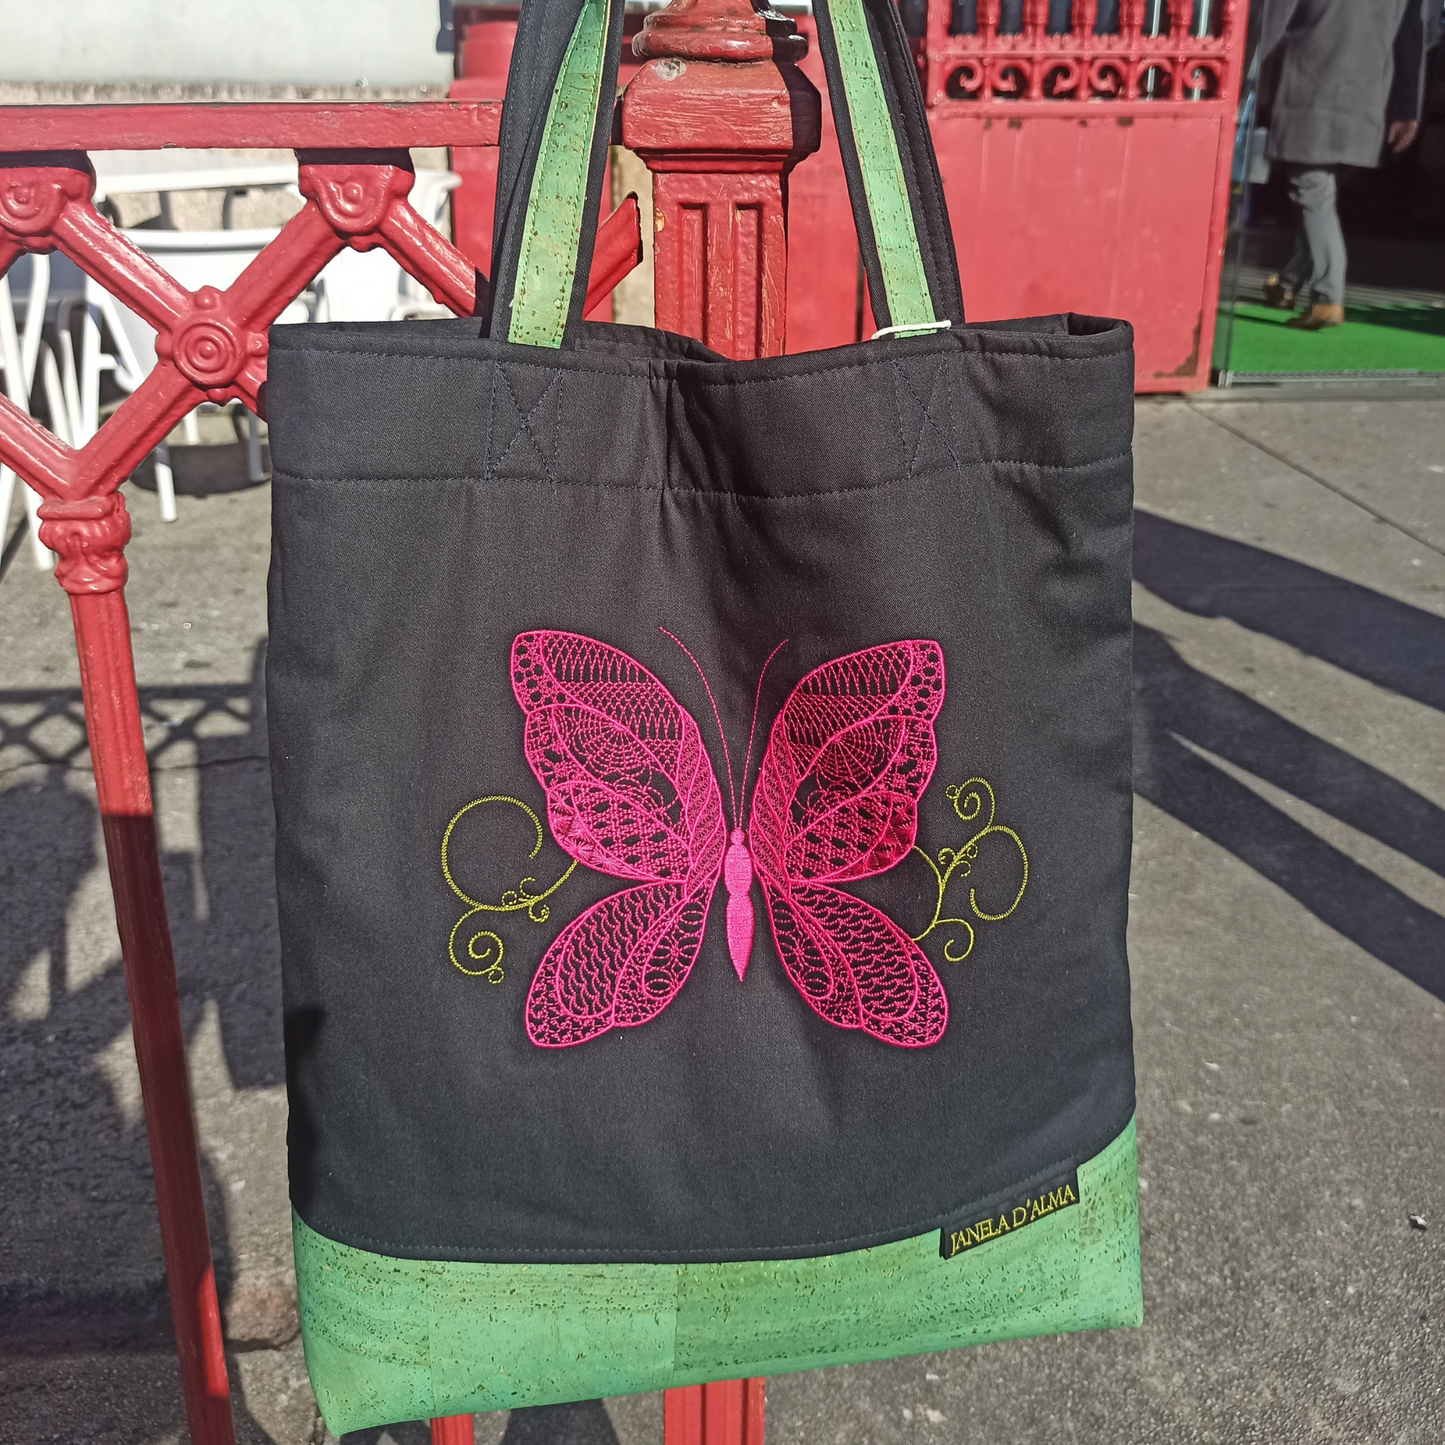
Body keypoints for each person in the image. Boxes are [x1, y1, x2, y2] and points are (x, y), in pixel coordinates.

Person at [1257, 0, 1428, 329]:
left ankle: (1326, 297)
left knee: (1310, 189)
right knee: (1318, 195)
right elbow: (1410, 33)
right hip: (1366, 94)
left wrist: (1241, 70)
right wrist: (1406, 107)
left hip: (1313, 86)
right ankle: (1288, 283)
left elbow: (1270, 22)